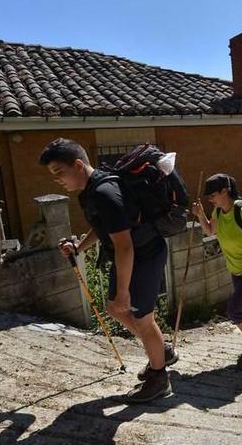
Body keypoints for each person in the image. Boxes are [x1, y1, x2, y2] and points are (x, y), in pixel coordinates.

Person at [39, 138, 176, 403]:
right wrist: (79, 247)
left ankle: (160, 378)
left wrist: (124, 290)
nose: (58, 180)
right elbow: (105, 228)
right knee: (114, 308)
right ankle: (161, 349)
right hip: (129, 255)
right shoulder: (91, 190)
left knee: (140, 318)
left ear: (78, 164)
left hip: (144, 255)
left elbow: (124, 245)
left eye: (60, 173)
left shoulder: (104, 193)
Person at [192, 173, 242, 370]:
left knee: (235, 310)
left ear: (225, 191)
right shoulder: (218, 212)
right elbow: (210, 231)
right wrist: (201, 215)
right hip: (236, 271)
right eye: (208, 197)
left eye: (212, 195)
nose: (210, 200)